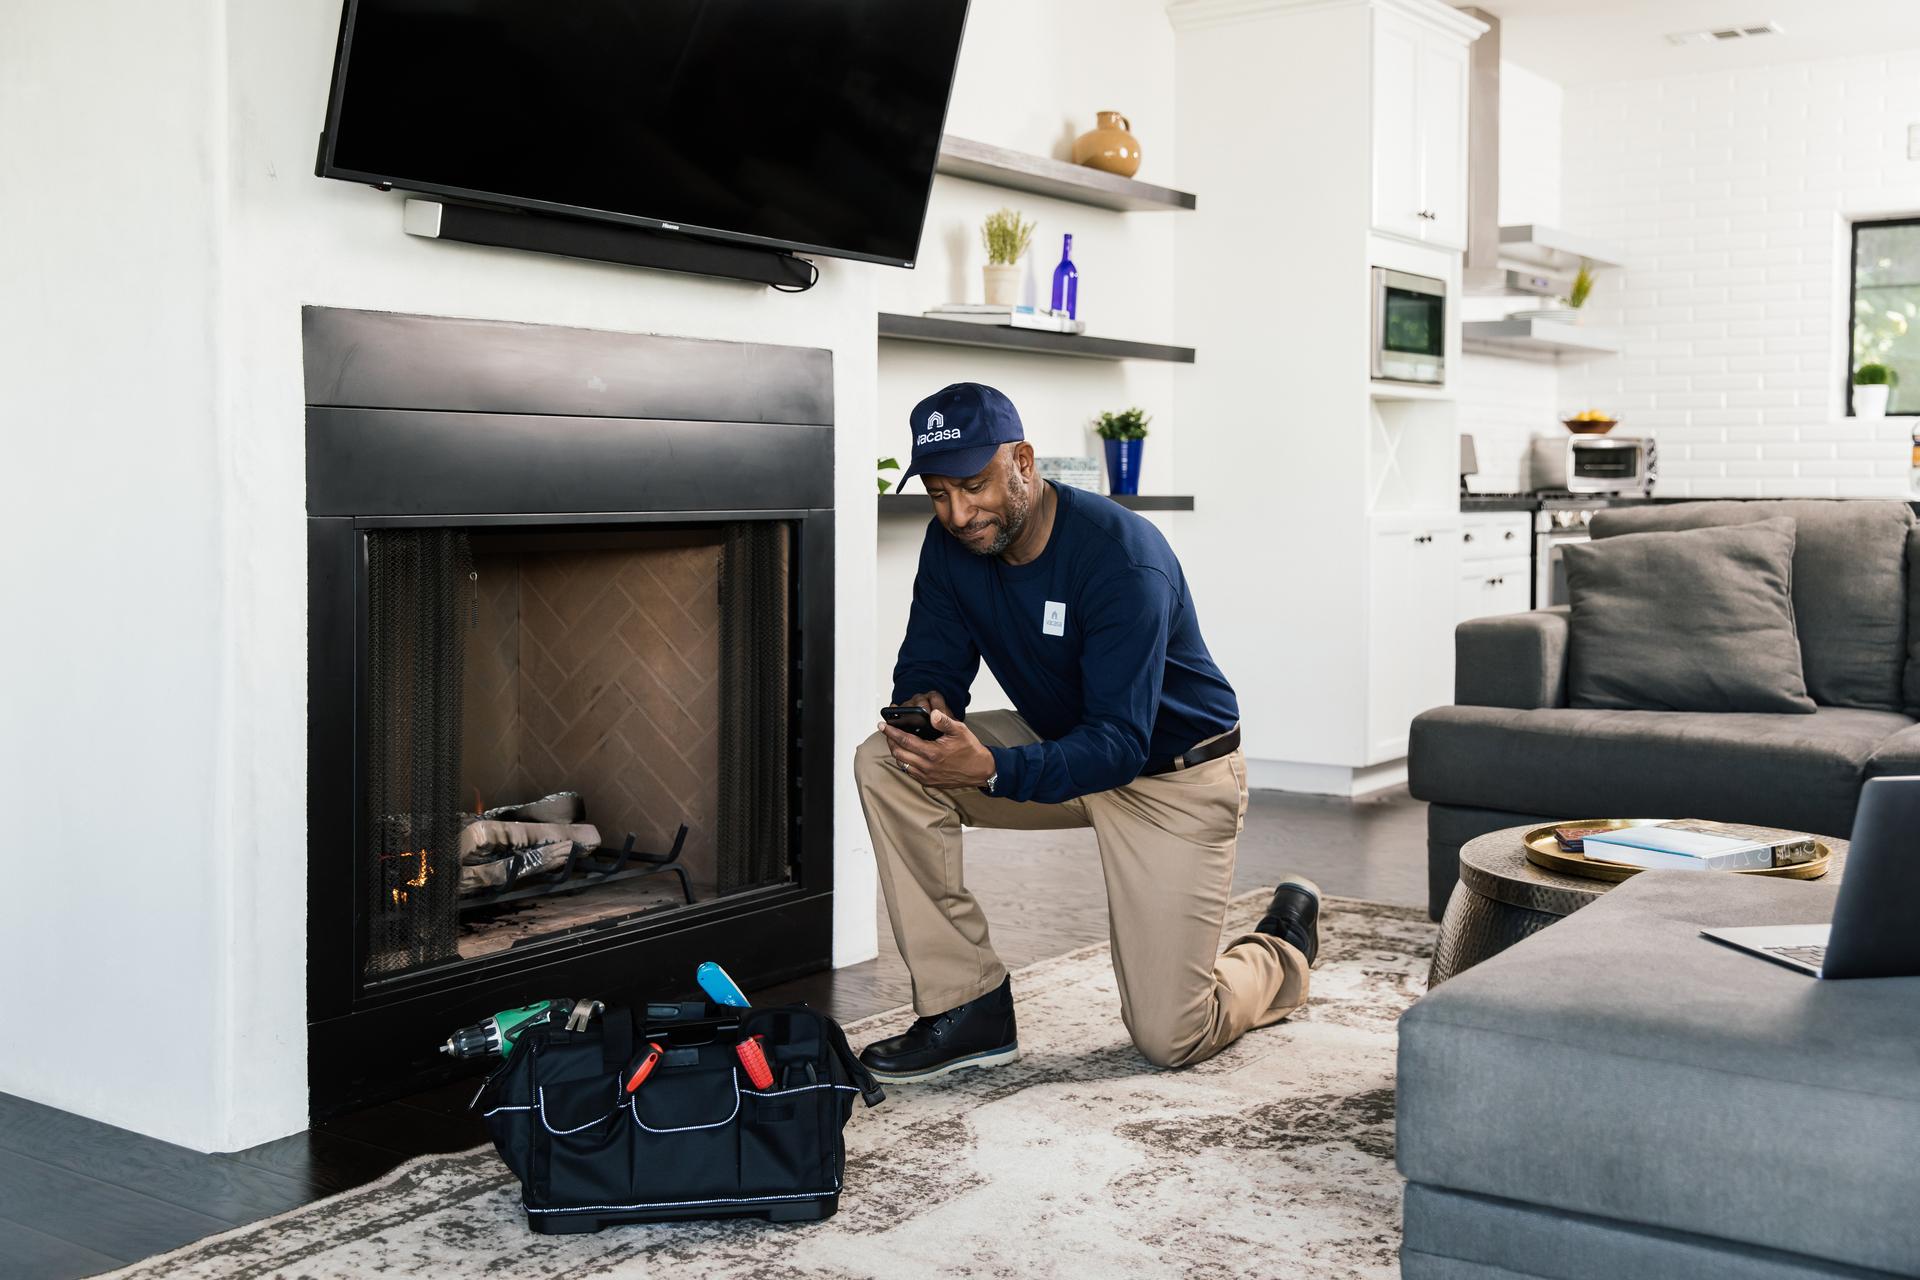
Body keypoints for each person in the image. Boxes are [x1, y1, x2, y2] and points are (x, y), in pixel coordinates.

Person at [855, 381, 1323, 1082]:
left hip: (1175, 778)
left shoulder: (1118, 557)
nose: (957, 512)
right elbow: (932, 660)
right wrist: (928, 714)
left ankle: (1281, 946)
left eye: (974, 486)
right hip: (1063, 743)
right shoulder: (952, 545)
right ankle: (969, 1005)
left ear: (1023, 460)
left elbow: (1119, 745)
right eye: (938, 493)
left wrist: (989, 770)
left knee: (1173, 1037)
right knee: (886, 763)